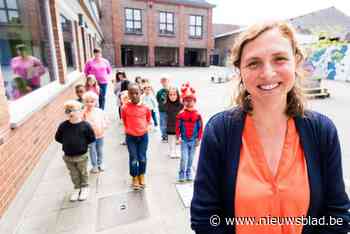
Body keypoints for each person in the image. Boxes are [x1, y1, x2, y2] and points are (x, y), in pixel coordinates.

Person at [191, 21, 350, 234]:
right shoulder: (220, 131)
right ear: (240, 70)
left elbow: (338, 215)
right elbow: (205, 217)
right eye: (254, 63)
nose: (267, 73)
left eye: (279, 59)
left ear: (296, 62)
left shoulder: (322, 131)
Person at [55, 100, 95, 202]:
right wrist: (68, 143)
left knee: (83, 172)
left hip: (81, 155)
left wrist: (82, 145)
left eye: (73, 110)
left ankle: (85, 187)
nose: (71, 113)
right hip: (68, 156)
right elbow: (58, 138)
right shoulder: (63, 126)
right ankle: (77, 188)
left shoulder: (85, 125)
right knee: (74, 174)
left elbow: (91, 138)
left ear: (80, 111)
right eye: (68, 111)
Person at [121, 83, 151, 190]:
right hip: (131, 137)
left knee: (142, 158)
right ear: (128, 94)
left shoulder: (145, 107)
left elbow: (148, 119)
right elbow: (124, 120)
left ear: (140, 93)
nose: (134, 95)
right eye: (131, 93)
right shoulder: (124, 108)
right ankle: (134, 177)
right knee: (133, 158)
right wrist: (129, 129)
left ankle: (141, 175)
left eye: (136, 93)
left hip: (143, 136)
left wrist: (143, 128)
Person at [176, 83, 203, 182]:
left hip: (193, 140)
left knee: (191, 158)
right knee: (184, 158)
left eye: (190, 100)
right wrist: (178, 137)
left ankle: (188, 171)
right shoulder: (181, 114)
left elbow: (200, 128)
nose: (188, 103)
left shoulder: (197, 115)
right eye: (186, 101)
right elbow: (178, 127)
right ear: (183, 102)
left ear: (194, 101)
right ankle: (181, 172)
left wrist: (199, 139)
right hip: (184, 140)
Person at [82, 91, 108, 173]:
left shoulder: (99, 111)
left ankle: (100, 163)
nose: (89, 103)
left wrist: (104, 126)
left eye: (92, 101)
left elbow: (105, 119)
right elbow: (81, 122)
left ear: (95, 102)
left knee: (99, 150)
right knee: (92, 151)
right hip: (90, 136)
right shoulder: (84, 112)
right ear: (84, 102)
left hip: (100, 134)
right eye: (87, 102)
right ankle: (94, 165)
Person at [164, 87, 183, 158]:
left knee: (178, 139)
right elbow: (164, 116)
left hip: (179, 125)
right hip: (170, 124)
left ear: (177, 95)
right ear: (168, 96)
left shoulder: (181, 105)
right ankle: (172, 150)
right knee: (171, 138)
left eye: (174, 94)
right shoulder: (166, 104)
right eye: (170, 95)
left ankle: (177, 151)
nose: (172, 96)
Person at [156, 75, 170, 142]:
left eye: (166, 81)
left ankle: (170, 135)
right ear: (161, 83)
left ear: (168, 82)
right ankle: (164, 136)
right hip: (162, 110)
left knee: (170, 123)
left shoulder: (171, 90)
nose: (164, 83)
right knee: (163, 123)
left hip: (170, 110)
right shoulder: (160, 92)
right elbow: (158, 99)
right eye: (163, 82)